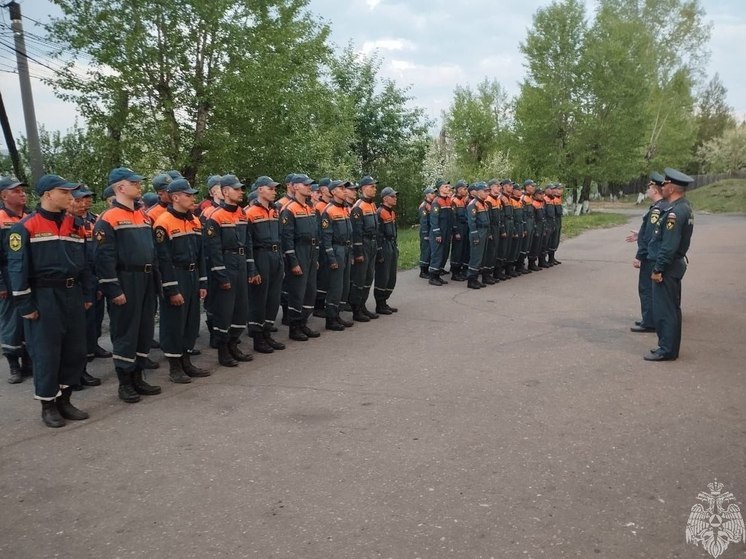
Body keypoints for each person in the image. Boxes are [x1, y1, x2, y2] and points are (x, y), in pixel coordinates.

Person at [8, 174, 93, 427]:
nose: (71, 197)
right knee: (47, 352)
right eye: (65, 193)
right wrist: (25, 305)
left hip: (73, 294)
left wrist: (87, 294)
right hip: (44, 296)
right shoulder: (24, 227)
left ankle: (65, 399)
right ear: (48, 195)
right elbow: (17, 268)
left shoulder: (75, 225)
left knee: (75, 349)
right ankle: (48, 404)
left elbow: (86, 264)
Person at [94, 167, 162, 403]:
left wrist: (156, 281)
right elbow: (103, 258)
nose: (139, 185)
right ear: (120, 187)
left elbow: (152, 252)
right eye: (133, 183)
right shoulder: (108, 218)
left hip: (145, 279)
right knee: (125, 331)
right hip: (126, 279)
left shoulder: (142, 215)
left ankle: (138, 376)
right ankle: (125, 382)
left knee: (144, 328)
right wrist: (114, 288)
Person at [152, 178, 211, 382]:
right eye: (188, 195)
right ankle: (175, 367)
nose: (192, 198)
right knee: (173, 322)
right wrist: (171, 289)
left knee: (191, 321)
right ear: (175, 197)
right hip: (176, 275)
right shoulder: (163, 222)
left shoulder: (194, 220)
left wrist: (203, 281)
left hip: (192, 275)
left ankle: (186, 361)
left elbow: (201, 254)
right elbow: (163, 260)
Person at [204, 174, 256, 365]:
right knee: (224, 310)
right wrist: (221, 274)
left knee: (241, 308)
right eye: (237, 189)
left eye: (242, 188)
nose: (241, 192)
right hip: (226, 263)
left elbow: (248, 242)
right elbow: (214, 250)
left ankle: (234, 344)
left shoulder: (242, 214)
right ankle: (223, 349)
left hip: (241, 262)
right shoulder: (215, 216)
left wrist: (251, 269)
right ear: (225, 192)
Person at [644, 167, 694, 362]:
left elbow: (669, 245)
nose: (661, 187)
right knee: (671, 308)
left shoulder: (675, 213)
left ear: (672, 188)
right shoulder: (683, 207)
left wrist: (658, 269)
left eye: (664, 184)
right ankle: (668, 347)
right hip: (674, 265)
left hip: (668, 266)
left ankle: (667, 349)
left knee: (666, 309)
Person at [245, 176, 286, 352]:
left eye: (274, 189)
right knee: (259, 298)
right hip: (261, 255)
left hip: (275, 255)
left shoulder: (275, 210)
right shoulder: (249, 212)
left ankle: (267, 333)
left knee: (273, 297)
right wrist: (252, 269)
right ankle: (257, 336)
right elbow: (247, 243)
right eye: (270, 188)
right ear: (260, 189)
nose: (274, 191)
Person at [69, 186, 103, 388]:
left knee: (83, 329)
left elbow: (90, 258)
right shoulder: (64, 224)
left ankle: (80, 371)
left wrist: (93, 286)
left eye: (86, 200)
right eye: (79, 200)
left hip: (87, 279)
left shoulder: (86, 223)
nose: (84, 204)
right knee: (71, 334)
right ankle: (71, 375)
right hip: (65, 286)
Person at [280, 174, 321, 340]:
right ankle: (294, 327)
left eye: (309, 184)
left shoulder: (310, 207)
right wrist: (293, 262)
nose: (309, 187)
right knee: (297, 292)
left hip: (310, 252)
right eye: (305, 184)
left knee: (310, 291)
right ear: (295, 186)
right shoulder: (289, 209)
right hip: (299, 251)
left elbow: (316, 234)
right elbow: (287, 238)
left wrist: (316, 257)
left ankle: (303, 322)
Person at [0, 176, 32, 383]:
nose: (22, 193)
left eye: (22, 190)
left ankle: (29, 361)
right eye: (15, 191)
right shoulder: (1, 219)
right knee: (11, 320)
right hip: (7, 275)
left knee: (29, 317)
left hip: (27, 275)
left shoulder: (28, 218)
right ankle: (14, 364)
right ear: (3, 195)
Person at [629, 172, 665, 333]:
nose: (648, 189)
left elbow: (652, 237)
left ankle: (649, 321)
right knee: (651, 289)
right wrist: (640, 234)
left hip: (651, 257)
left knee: (646, 289)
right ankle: (649, 318)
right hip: (656, 255)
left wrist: (639, 256)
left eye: (650, 186)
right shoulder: (663, 206)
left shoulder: (657, 209)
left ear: (655, 190)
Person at [320, 180, 355, 330]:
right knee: (335, 285)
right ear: (333, 192)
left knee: (345, 285)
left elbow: (350, 233)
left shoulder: (345, 208)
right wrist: (331, 258)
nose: (344, 190)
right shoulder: (329, 210)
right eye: (341, 188)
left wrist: (352, 252)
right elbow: (326, 238)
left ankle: (338, 314)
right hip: (337, 250)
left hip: (346, 249)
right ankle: (330, 318)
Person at [349, 176, 380, 318]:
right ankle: (356, 308)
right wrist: (358, 252)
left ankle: (363, 305)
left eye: (375, 186)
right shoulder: (358, 207)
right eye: (371, 186)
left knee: (369, 277)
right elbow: (356, 232)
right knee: (360, 278)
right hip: (364, 244)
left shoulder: (372, 205)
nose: (375, 189)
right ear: (363, 188)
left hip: (373, 243)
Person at [373, 186, 398, 315]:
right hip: (384, 245)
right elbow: (378, 234)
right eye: (393, 196)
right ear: (385, 198)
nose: (395, 198)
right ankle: (379, 303)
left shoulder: (392, 212)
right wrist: (380, 251)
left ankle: (385, 301)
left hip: (392, 245)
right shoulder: (379, 212)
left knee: (392, 276)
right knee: (383, 275)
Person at [313, 178, 333, 318]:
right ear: (322, 189)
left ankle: (325, 302)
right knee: (322, 276)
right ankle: (318, 305)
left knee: (327, 276)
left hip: (328, 243)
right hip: (320, 245)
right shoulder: (319, 206)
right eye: (328, 186)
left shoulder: (330, 205)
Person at [466, 182, 490, 289]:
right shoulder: (473, 204)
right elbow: (472, 222)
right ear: (479, 192)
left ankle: (476, 279)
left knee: (481, 256)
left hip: (484, 231)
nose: (487, 193)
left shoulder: (483, 203)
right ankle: (471, 280)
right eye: (485, 191)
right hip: (478, 232)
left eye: (488, 191)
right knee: (475, 256)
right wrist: (475, 236)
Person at [449, 180, 469, 281]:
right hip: (458, 227)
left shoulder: (462, 200)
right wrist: (456, 231)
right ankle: (455, 272)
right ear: (459, 190)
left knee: (463, 249)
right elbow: (453, 218)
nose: (466, 190)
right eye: (465, 189)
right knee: (457, 250)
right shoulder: (454, 201)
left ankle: (459, 270)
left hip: (464, 226)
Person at [418, 187, 435, 278]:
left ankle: (428, 268)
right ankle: (423, 271)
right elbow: (423, 220)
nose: (434, 195)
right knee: (426, 250)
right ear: (427, 194)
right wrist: (425, 233)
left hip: (431, 230)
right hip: (426, 231)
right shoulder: (424, 206)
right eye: (432, 193)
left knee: (431, 250)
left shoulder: (432, 204)